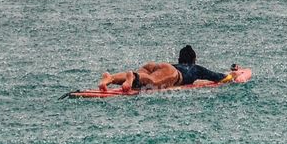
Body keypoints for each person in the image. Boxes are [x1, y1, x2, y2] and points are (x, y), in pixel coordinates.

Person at [98, 45, 238, 92]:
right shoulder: (195, 68)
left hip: (157, 66)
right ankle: (132, 77)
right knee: (152, 80)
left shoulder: (176, 64)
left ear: (179, 59)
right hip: (173, 74)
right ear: (194, 60)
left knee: (147, 74)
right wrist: (233, 75)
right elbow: (219, 77)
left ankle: (110, 78)